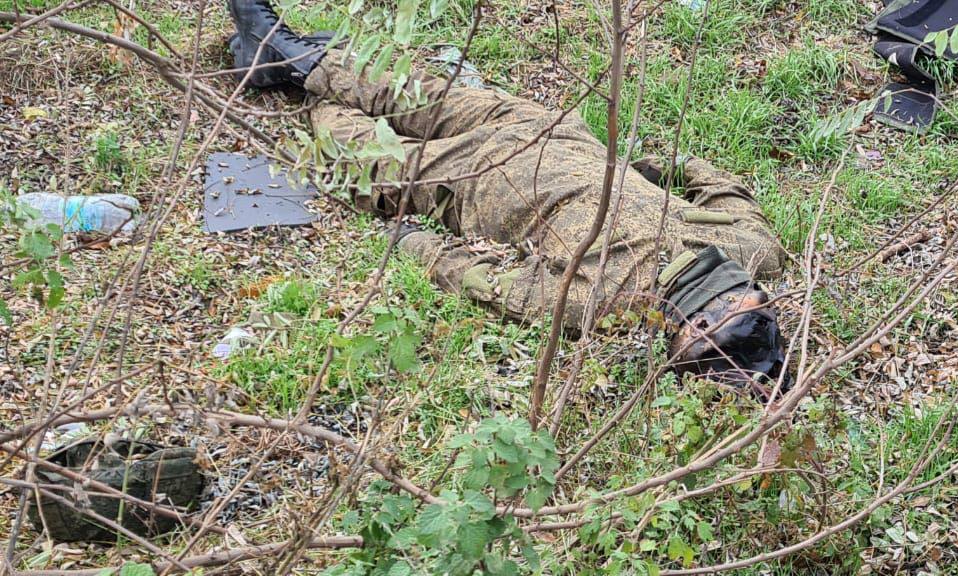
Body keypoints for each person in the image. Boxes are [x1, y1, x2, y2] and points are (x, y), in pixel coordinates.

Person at [226, 0, 788, 386]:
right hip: (543, 139)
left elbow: (491, 285)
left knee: (352, 146)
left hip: (480, 179)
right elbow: (723, 186)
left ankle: (290, 62)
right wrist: (657, 166)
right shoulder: (748, 253)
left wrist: (414, 243)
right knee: (413, 93)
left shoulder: (609, 303)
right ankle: (289, 56)